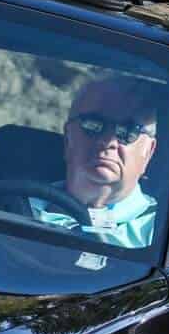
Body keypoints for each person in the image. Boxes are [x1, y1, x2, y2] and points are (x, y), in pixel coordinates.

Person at [26, 76, 162, 248]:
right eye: (93, 124)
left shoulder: (164, 235)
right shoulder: (13, 207)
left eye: (127, 131)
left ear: (148, 152)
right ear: (68, 139)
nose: (107, 142)